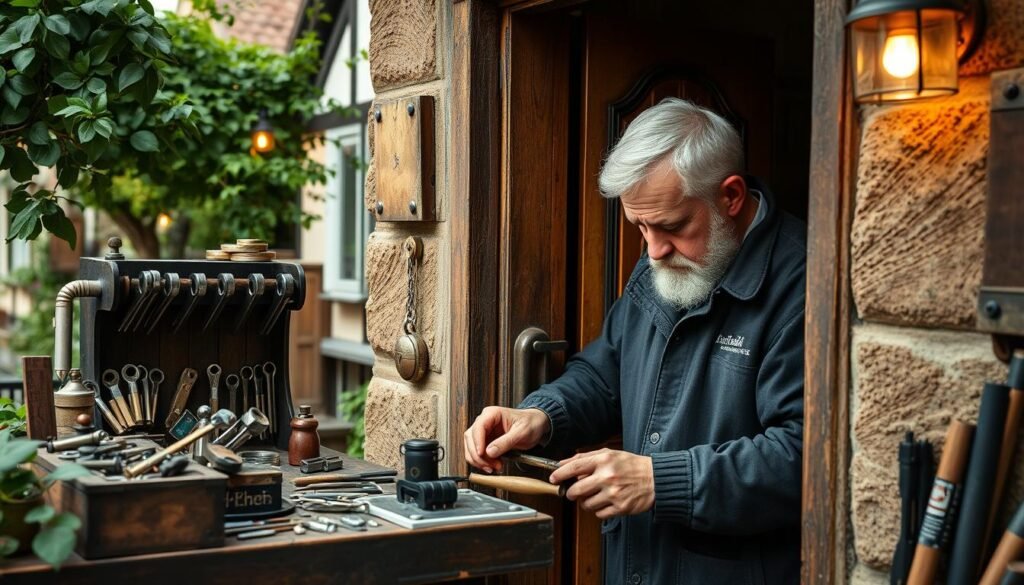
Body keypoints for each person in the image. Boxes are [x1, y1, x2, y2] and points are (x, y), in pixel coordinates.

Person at [464, 98, 805, 584]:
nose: (652, 250)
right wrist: (542, 415)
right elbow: (606, 373)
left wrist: (659, 482)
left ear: (730, 195)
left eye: (670, 226)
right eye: (639, 226)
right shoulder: (665, 258)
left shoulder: (802, 284)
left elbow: (802, 457)